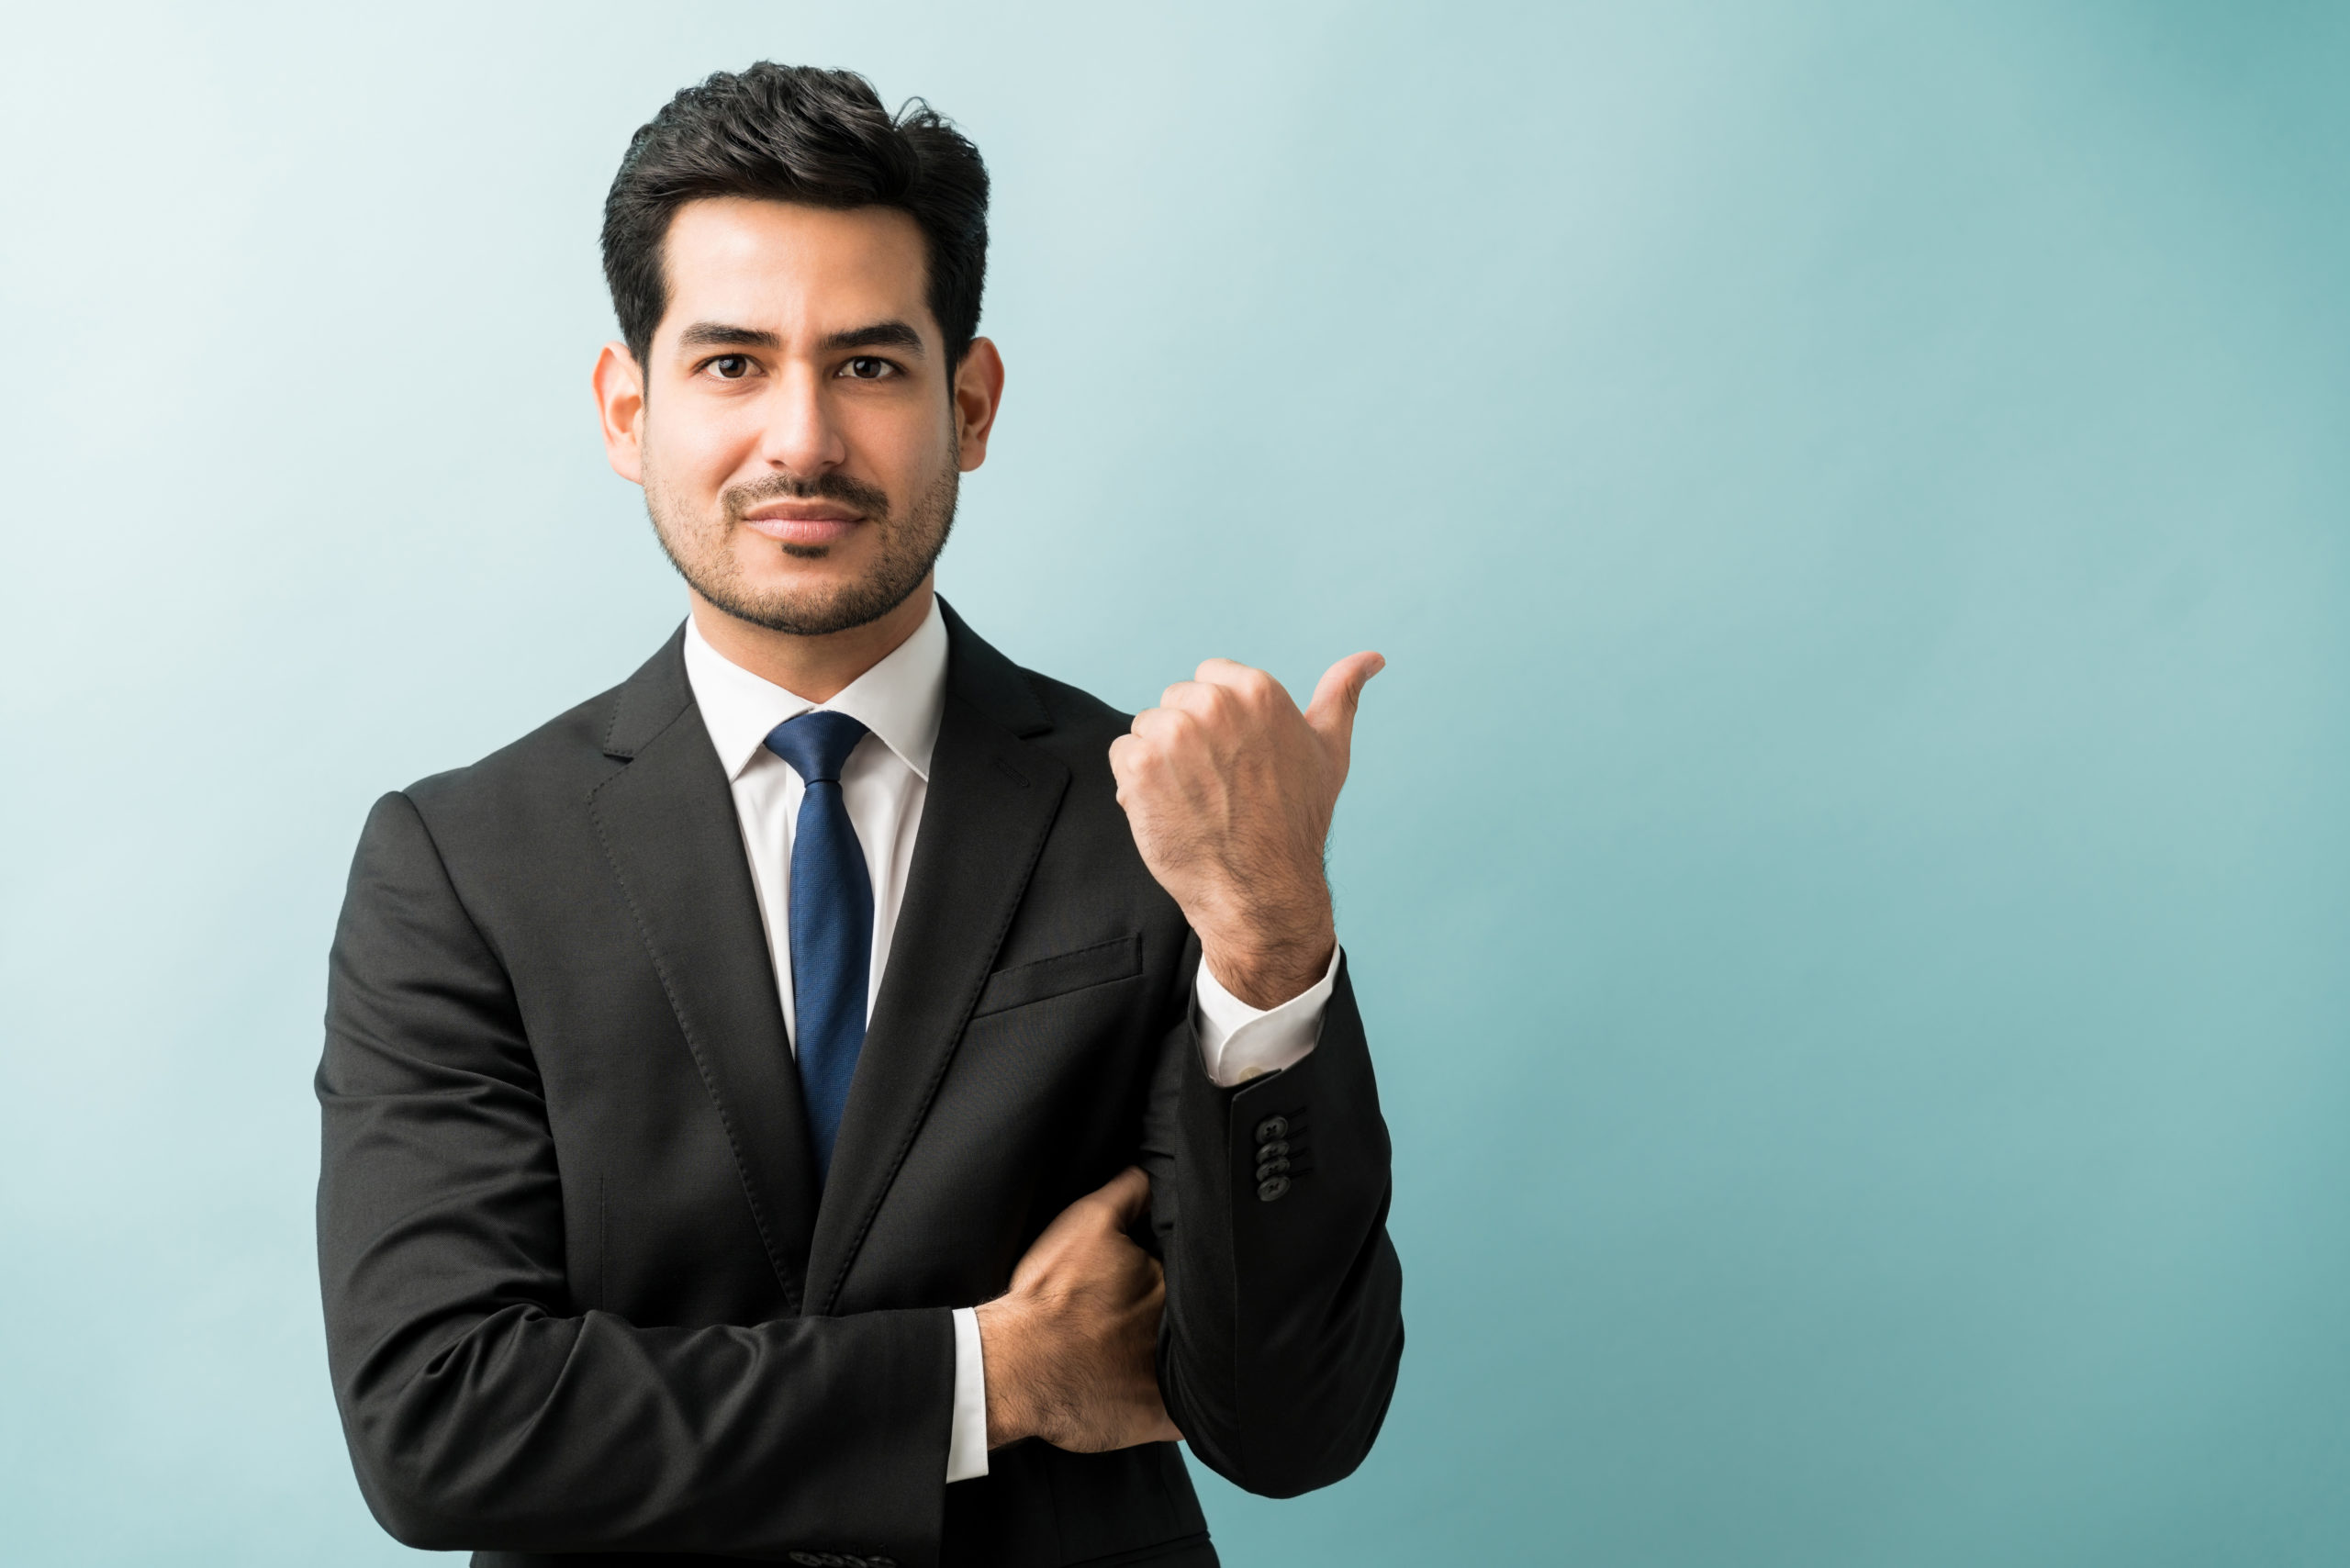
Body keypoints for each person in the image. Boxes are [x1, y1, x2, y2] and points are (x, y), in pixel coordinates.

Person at [316, 62, 1403, 1568]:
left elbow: (1292, 1430)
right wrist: (991, 1376)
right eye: (732, 364)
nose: (804, 439)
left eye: (872, 367)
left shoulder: (1152, 817)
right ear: (628, 410)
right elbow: (442, 1423)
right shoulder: (461, 867)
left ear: (970, 403)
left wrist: (1275, 943)